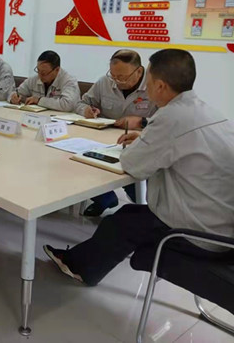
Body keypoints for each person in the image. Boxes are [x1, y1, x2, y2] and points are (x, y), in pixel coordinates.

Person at [44, 49, 234, 287]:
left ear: (160, 86)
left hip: (199, 233)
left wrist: (144, 143)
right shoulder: (205, 110)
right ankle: (84, 264)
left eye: (149, 79)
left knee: (122, 223)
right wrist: (147, 140)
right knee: (130, 215)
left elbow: (133, 164)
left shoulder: (171, 117)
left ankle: (80, 267)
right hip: (223, 223)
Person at [75, 49, 158, 216]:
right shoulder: (104, 82)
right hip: (102, 140)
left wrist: (141, 122)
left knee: (134, 180)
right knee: (77, 162)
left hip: (136, 144)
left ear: (139, 71)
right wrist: (86, 110)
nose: (118, 81)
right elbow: (80, 103)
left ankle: (147, 210)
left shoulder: (154, 87)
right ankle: (104, 199)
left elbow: (167, 121)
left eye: (123, 77)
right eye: (114, 76)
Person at [9, 50, 80, 112]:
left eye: (43, 73)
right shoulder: (34, 79)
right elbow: (16, 92)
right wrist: (13, 97)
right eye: (38, 70)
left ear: (57, 70)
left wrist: (39, 100)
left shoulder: (69, 81)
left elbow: (68, 104)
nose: (39, 76)